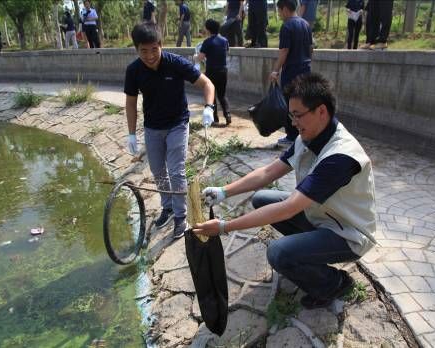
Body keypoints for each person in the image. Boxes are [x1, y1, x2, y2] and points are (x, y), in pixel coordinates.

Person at [194, 73, 377, 310]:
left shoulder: (339, 156)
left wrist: (224, 227)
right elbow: (268, 172)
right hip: (323, 215)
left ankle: (335, 283)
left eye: (298, 115)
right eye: (291, 115)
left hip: (349, 234)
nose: (292, 123)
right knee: (262, 199)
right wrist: (223, 191)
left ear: (321, 111)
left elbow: (289, 208)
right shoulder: (309, 135)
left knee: (278, 253)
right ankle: (306, 256)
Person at [124, 23, 215, 238]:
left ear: (161, 45)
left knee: (176, 171)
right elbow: (130, 103)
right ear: (136, 49)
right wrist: (130, 133)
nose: (149, 56)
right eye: (143, 51)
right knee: (158, 172)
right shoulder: (134, 70)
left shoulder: (175, 63)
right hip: (152, 127)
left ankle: (181, 216)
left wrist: (209, 107)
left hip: (177, 124)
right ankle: (167, 207)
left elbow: (207, 84)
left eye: (154, 49)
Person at [270, 0, 312, 147]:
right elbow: (311, 49)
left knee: (290, 104)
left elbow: (284, 52)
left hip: (292, 72)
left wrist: (275, 71)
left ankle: (292, 136)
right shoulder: (306, 24)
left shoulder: (287, 26)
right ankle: (306, 133)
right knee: (304, 102)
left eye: (280, 11)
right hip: (306, 70)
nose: (280, 15)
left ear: (286, 9)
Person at [198, 19, 231, 126]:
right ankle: (228, 115)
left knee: (212, 95)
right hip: (223, 71)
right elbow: (227, 51)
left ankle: (215, 119)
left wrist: (195, 57)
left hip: (211, 71)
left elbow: (201, 57)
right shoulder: (224, 40)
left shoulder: (207, 42)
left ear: (208, 29)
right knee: (222, 95)